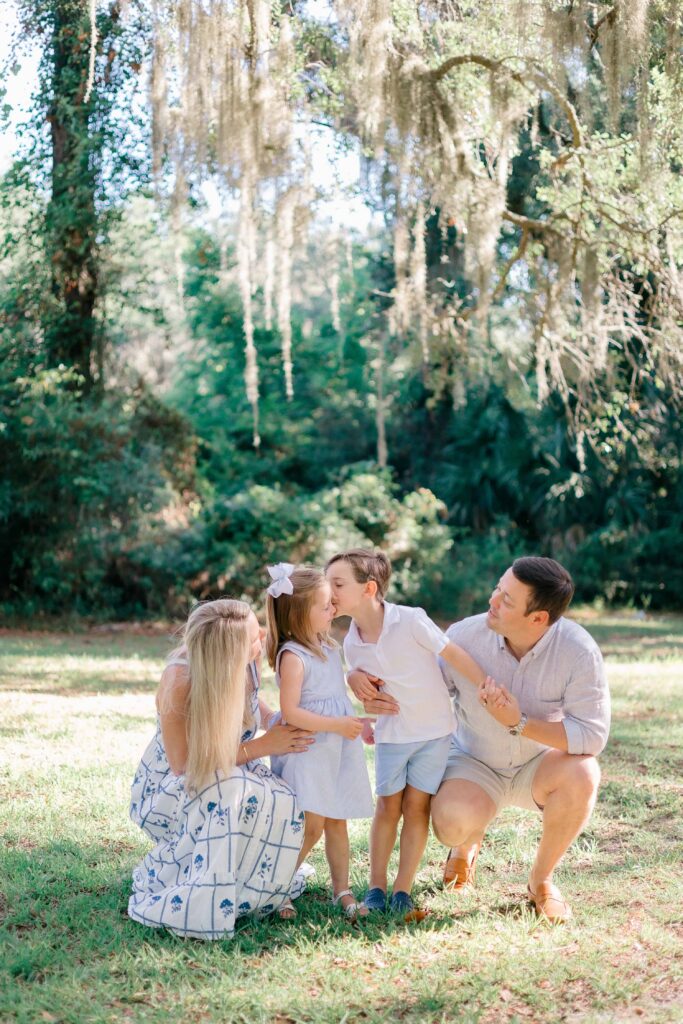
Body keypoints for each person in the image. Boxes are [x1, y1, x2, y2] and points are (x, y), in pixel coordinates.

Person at [355, 556, 610, 923]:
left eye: (507, 600)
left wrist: (519, 722)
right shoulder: (463, 636)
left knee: (585, 773)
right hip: (472, 761)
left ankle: (541, 880)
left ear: (538, 618)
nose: (493, 600)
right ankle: (465, 844)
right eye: (498, 589)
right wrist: (368, 688)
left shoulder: (578, 650)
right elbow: (424, 692)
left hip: (538, 765)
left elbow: (592, 734)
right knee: (450, 822)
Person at [128, 598, 315, 940]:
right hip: (176, 783)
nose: (262, 633)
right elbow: (182, 764)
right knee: (233, 794)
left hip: (231, 761)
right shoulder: (180, 680)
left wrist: (273, 718)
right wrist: (264, 746)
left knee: (285, 798)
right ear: (227, 653)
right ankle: (207, 891)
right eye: (252, 635)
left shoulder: (246, 662)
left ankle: (255, 891)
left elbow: (248, 698)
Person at [326, 548, 490, 915]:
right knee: (387, 807)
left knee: (417, 809)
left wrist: (485, 684)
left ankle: (403, 888)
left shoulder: (411, 620)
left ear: (369, 589)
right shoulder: (351, 641)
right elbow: (368, 690)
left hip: (433, 733)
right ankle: (377, 886)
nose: (329, 591)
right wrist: (357, 683)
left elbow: (452, 653)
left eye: (337, 583)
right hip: (392, 736)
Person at [266, 562, 374, 921]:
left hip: (336, 748)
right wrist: (336, 725)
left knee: (337, 820)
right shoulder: (293, 657)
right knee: (311, 826)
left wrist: (356, 723)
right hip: (310, 750)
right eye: (326, 604)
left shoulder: (329, 647)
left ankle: (341, 889)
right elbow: (292, 712)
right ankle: (277, 887)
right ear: (300, 614)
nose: (333, 609)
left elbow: (335, 698)